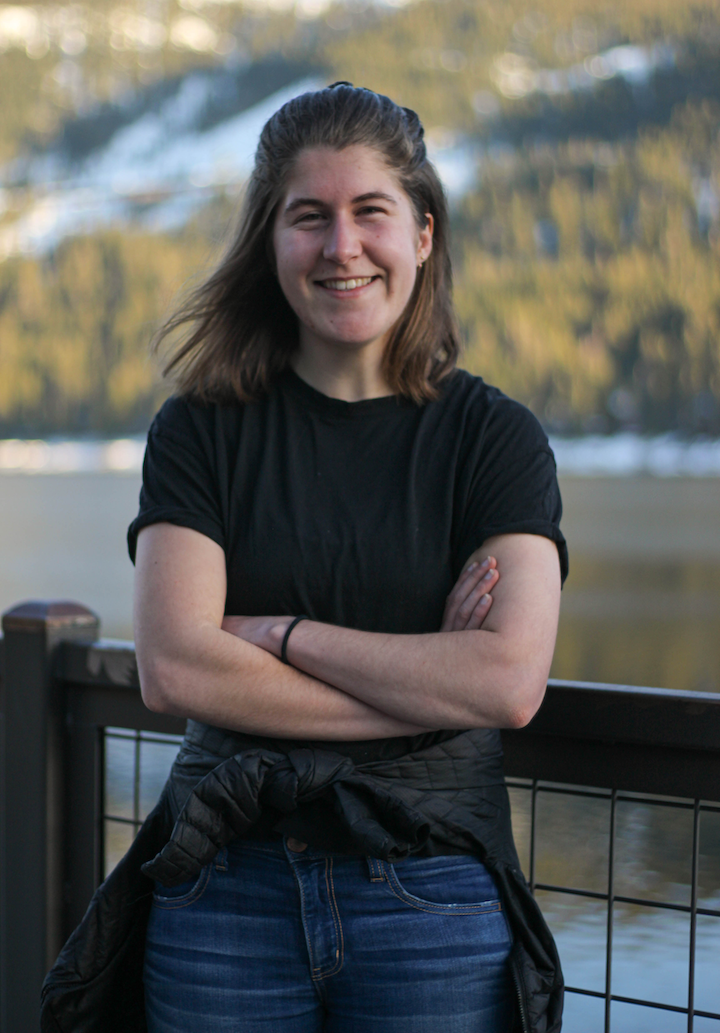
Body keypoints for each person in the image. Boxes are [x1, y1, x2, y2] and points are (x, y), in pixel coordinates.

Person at [46, 82, 567, 1033]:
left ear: (423, 235)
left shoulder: (495, 440)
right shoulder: (201, 430)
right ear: (270, 240)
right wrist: (424, 693)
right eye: (309, 217)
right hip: (225, 892)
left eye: (371, 211)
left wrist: (281, 636)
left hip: (432, 893)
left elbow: (506, 682)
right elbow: (175, 669)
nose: (342, 246)